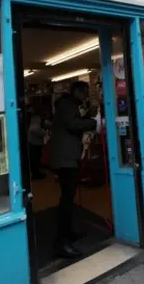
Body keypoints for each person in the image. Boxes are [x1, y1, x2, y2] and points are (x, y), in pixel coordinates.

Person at [50, 81, 97, 258]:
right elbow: (72, 124)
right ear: (76, 91)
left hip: (66, 158)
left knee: (68, 198)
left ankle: (67, 234)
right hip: (65, 159)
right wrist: (94, 122)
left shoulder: (67, 104)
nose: (85, 96)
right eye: (84, 92)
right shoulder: (67, 104)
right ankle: (61, 243)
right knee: (66, 200)